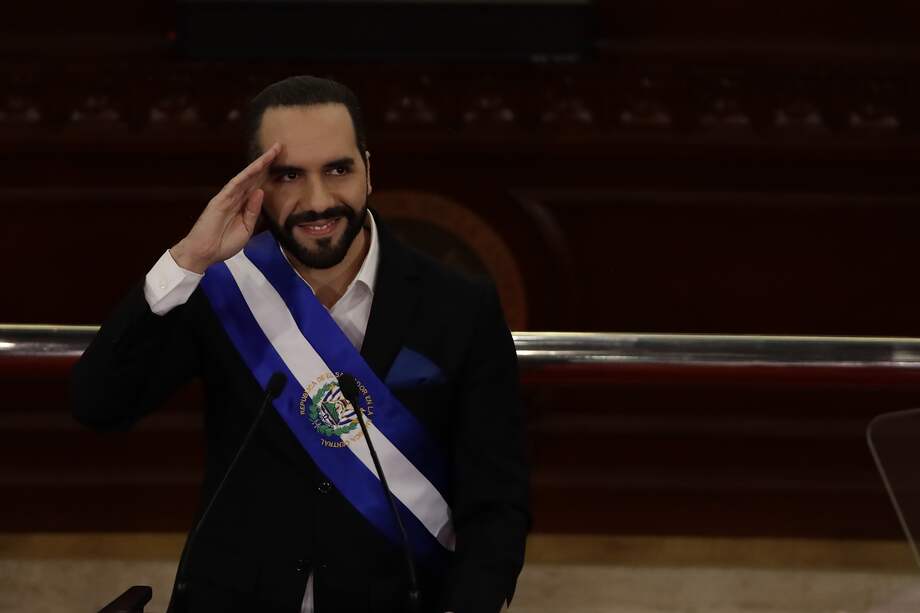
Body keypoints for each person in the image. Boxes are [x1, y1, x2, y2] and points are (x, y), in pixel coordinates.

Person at [71, 76, 530, 613]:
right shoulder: (221, 288)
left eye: (338, 170)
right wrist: (187, 260)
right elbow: (98, 404)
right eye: (289, 175)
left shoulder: (459, 305)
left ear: (368, 170)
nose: (317, 201)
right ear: (255, 184)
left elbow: (497, 502)